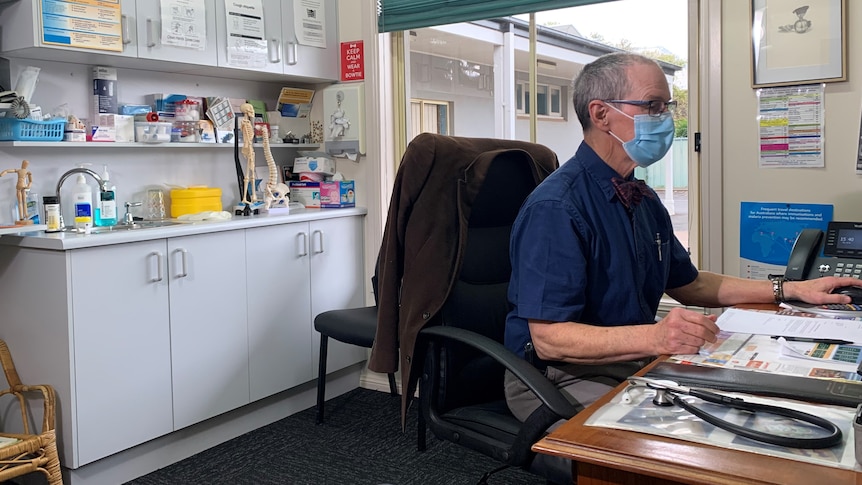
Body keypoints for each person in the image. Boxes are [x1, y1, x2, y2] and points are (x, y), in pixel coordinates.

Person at [503, 52, 862, 432]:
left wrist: (790, 289)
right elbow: (549, 339)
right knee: (683, 440)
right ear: (601, 114)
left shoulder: (641, 198)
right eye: (652, 106)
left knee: (758, 405)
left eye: (666, 107)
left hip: (629, 358)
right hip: (555, 377)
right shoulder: (556, 207)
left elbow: (689, 284)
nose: (665, 119)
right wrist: (658, 335)